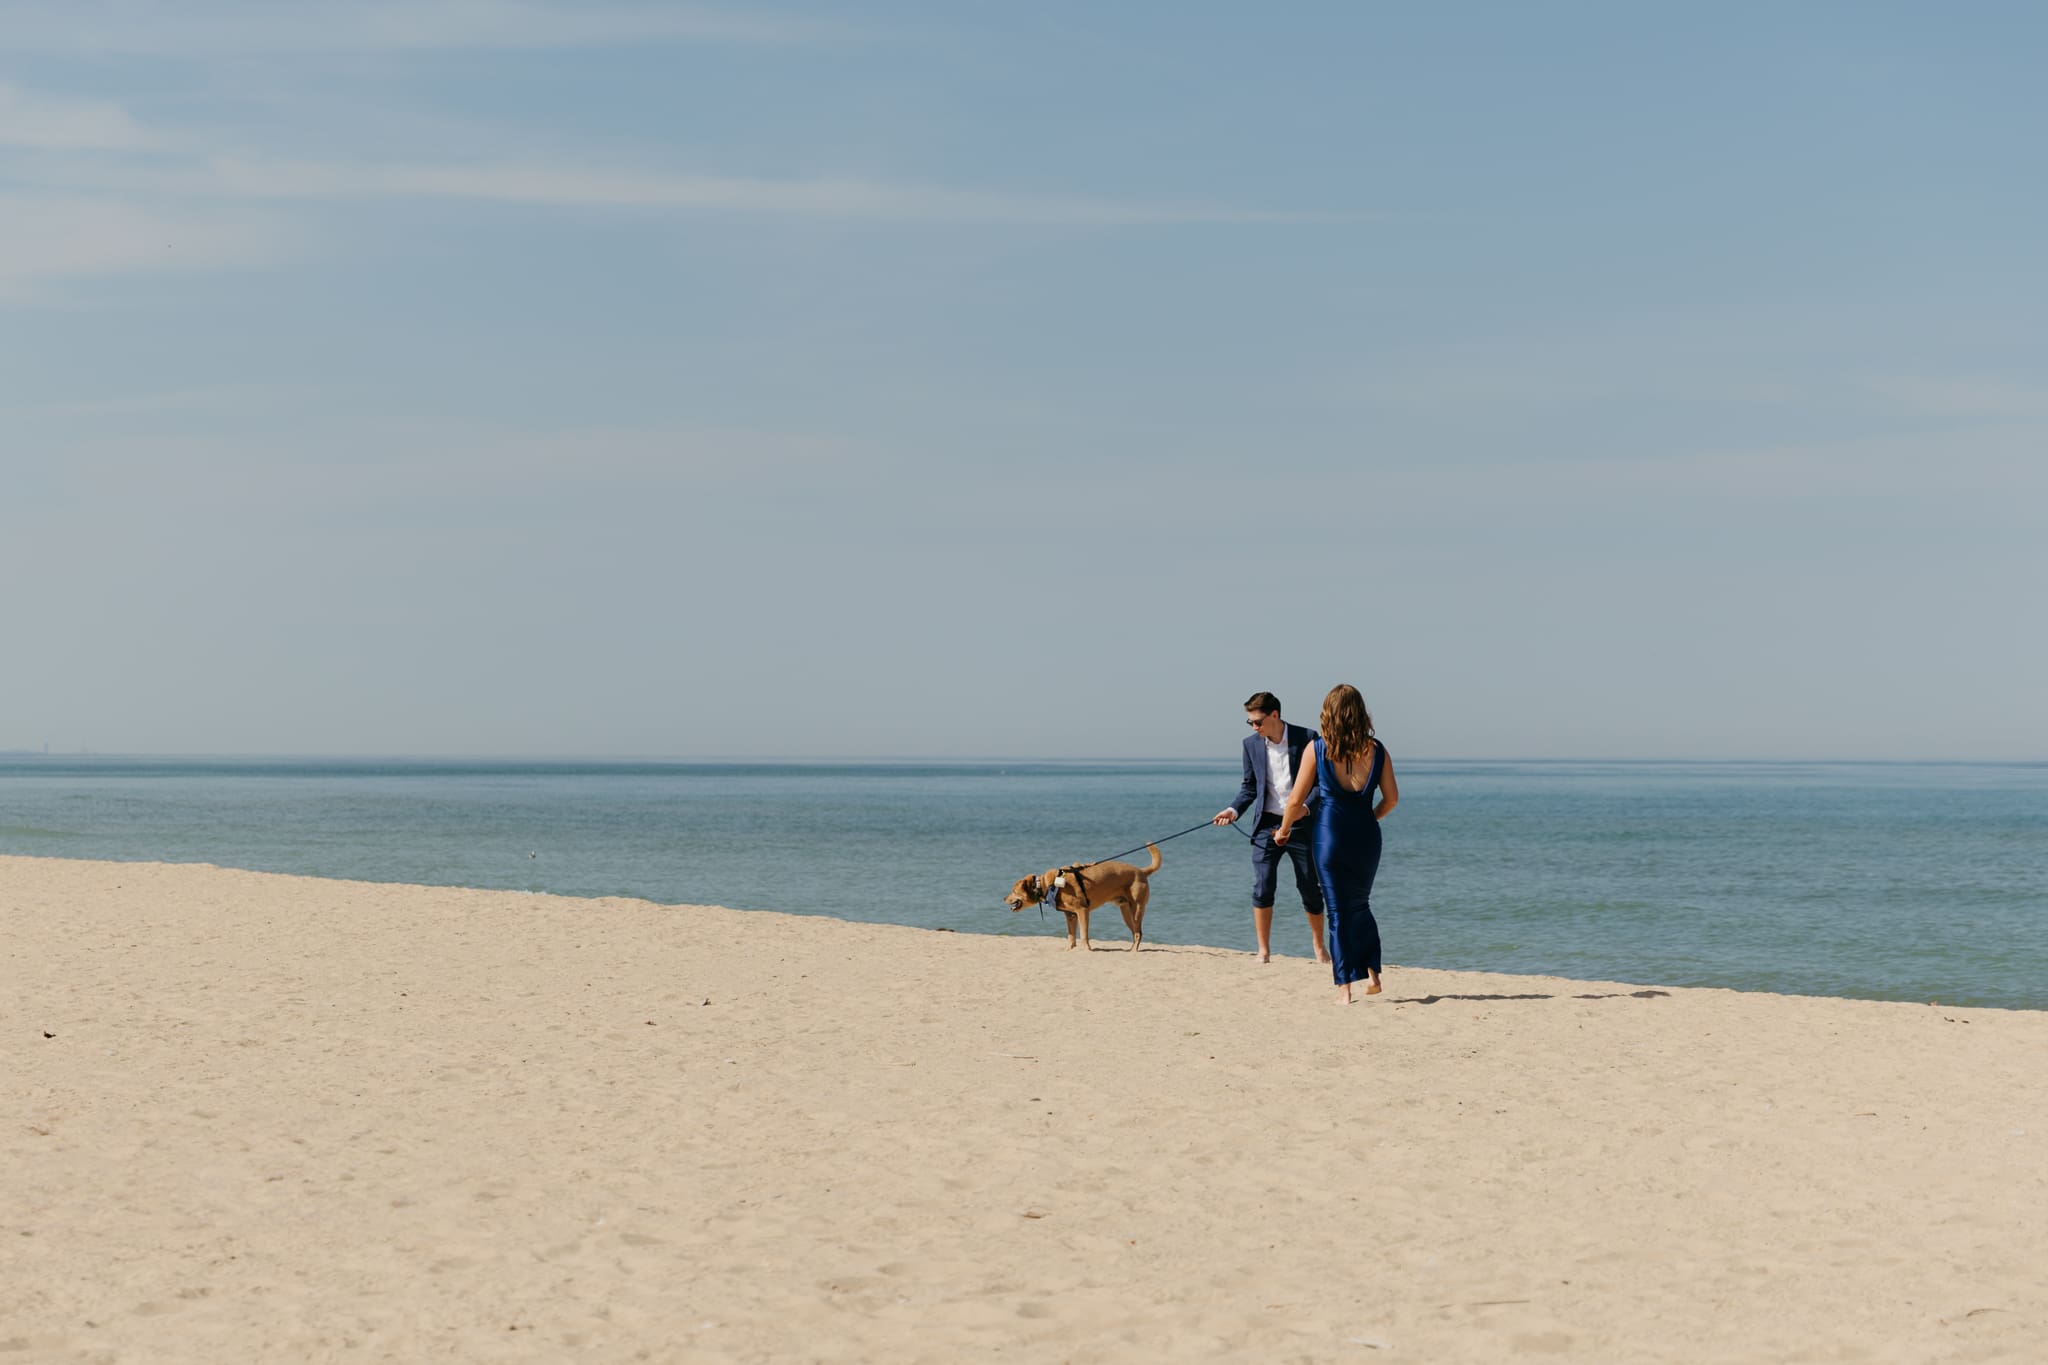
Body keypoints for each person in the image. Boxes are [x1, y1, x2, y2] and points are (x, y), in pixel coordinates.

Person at [1275, 684, 1399, 1003]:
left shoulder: (1317, 749)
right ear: (1360, 713)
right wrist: (1369, 818)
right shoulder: (1377, 749)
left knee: (1337, 911)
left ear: (1328, 714)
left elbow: (1294, 801)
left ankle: (1344, 988)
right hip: (1367, 837)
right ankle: (1373, 973)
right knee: (1360, 903)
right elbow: (1392, 799)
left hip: (1329, 836)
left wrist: (1283, 831)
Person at [1211, 691, 1329, 964]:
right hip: (1266, 825)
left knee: (1310, 887)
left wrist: (1305, 808)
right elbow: (1249, 787)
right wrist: (1232, 810)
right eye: (1250, 723)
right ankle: (1263, 951)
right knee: (1263, 886)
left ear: (1275, 715)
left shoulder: (1308, 738)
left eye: (1258, 721)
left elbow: (1321, 784)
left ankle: (1319, 945)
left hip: (1302, 825)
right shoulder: (1251, 745)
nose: (1255, 727)